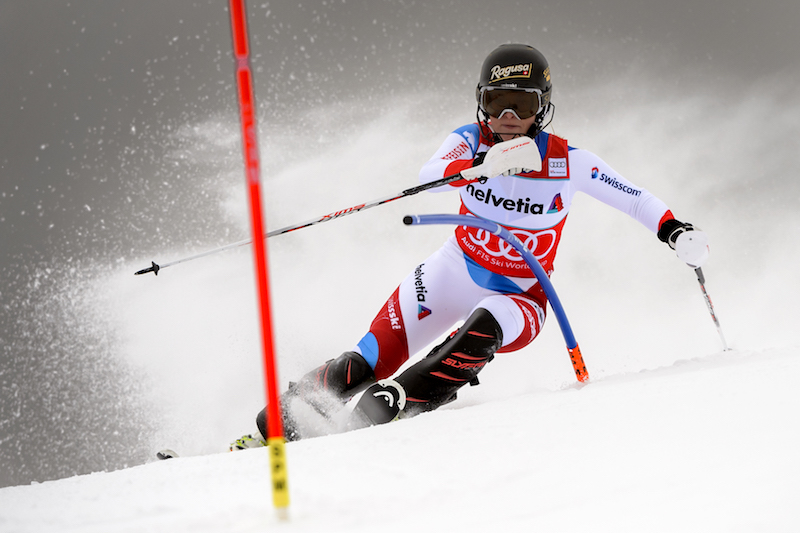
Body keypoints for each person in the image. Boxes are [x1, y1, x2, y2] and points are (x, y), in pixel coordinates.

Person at [231, 43, 709, 449]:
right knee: (365, 361)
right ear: (481, 102)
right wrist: (482, 164)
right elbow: (429, 176)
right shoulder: (468, 141)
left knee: (484, 324)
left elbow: (633, 198)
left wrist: (675, 231)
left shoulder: (569, 162)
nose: (507, 117)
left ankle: (402, 399)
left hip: (521, 297)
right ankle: (274, 425)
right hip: (453, 271)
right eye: (496, 101)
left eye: (520, 106)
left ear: (541, 107)